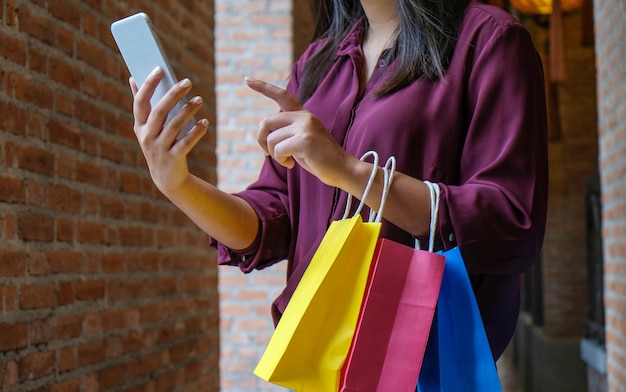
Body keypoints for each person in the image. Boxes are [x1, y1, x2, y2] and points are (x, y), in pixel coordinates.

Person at [129, 0, 548, 366]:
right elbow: (271, 221)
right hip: (326, 357)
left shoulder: (489, 40)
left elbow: (510, 220)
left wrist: (348, 171)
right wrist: (178, 184)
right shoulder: (318, 64)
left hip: (426, 359)